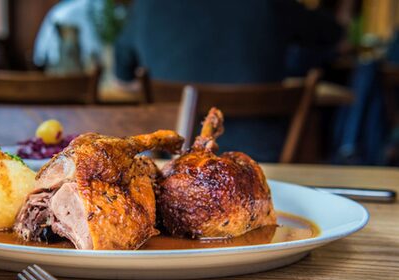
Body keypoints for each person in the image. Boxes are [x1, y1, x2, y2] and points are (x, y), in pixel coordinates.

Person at [114, 0, 345, 162]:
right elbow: (332, 34)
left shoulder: (146, 5)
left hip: (173, 157)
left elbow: (123, 76)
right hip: (266, 157)